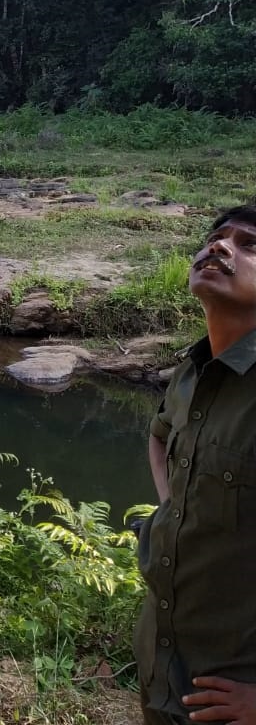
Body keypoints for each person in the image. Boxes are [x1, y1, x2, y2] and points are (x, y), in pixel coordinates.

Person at [134, 204, 256, 725]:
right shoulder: (193, 369)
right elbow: (159, 436)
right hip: (165, 670)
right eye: (215, 237)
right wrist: (171, 509)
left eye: (249, 244)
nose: (220, 247)